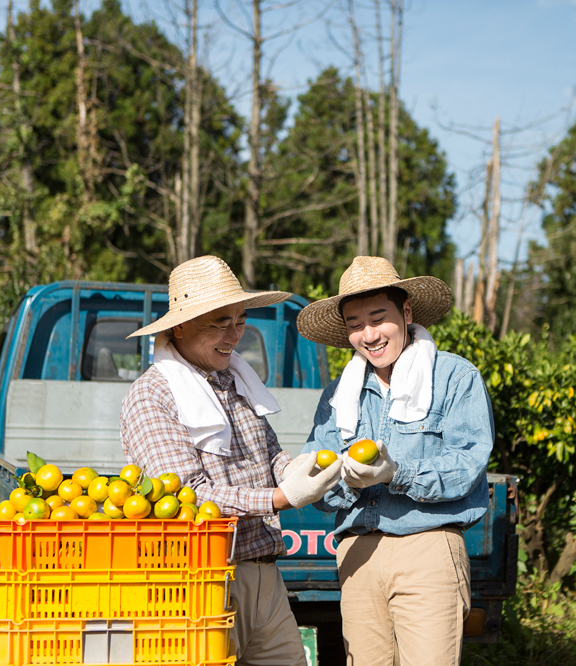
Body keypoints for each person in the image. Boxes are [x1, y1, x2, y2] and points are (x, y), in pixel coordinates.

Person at [120, 255, 341, 666]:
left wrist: (302, 471)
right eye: (220, 322)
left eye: (240, 321)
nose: (234, 335)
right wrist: (279, 498)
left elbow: (270, 455)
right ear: (180, 326)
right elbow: (188, 495)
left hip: (265, 576)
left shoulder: (237, 381)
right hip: (201, 580)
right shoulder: (153, 396)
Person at [295, 256, 494, 666]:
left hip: (427, 547)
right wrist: (340, 481)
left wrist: (396, 474)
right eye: (354, 323)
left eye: (378, 317)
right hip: (357, 555)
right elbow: (318, 483)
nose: (368, 334)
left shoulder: (456, 378)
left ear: (405, 313)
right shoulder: (339, 396)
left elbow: (467, 464)